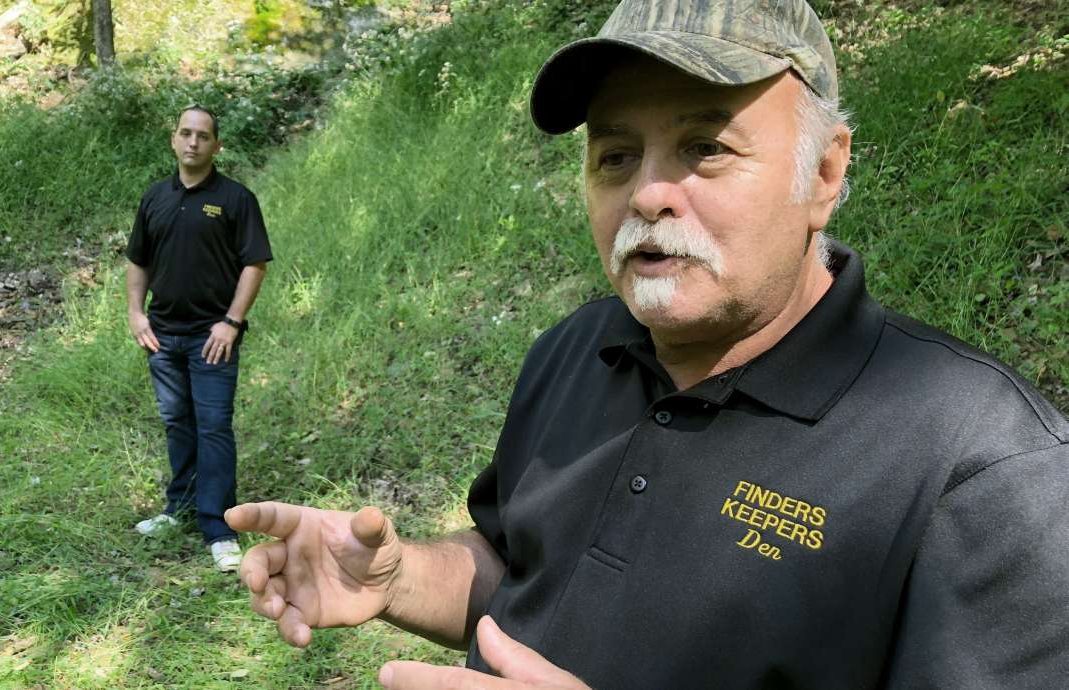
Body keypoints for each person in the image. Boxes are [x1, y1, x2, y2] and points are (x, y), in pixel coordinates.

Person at [226, 0, 1069, 686]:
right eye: (617, 156)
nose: (650, 194)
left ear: (823, 173)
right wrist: (398, 576)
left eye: (705, 149)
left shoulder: (983, 471)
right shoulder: (574, 351)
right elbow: (522, 573)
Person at [127, 105, 272, 572]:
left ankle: (219, 526)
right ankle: (180, 508)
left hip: (213, 338)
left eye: (203, 136)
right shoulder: (154, 198)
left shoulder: (235, 199)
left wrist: (231, 321)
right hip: (162, 337)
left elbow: (255, 264)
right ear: (174, 140)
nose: (193, 142)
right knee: (178, 424)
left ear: (216, 146)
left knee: (212, 427)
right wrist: (135, 313)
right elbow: (137, 262)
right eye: (186, 134)